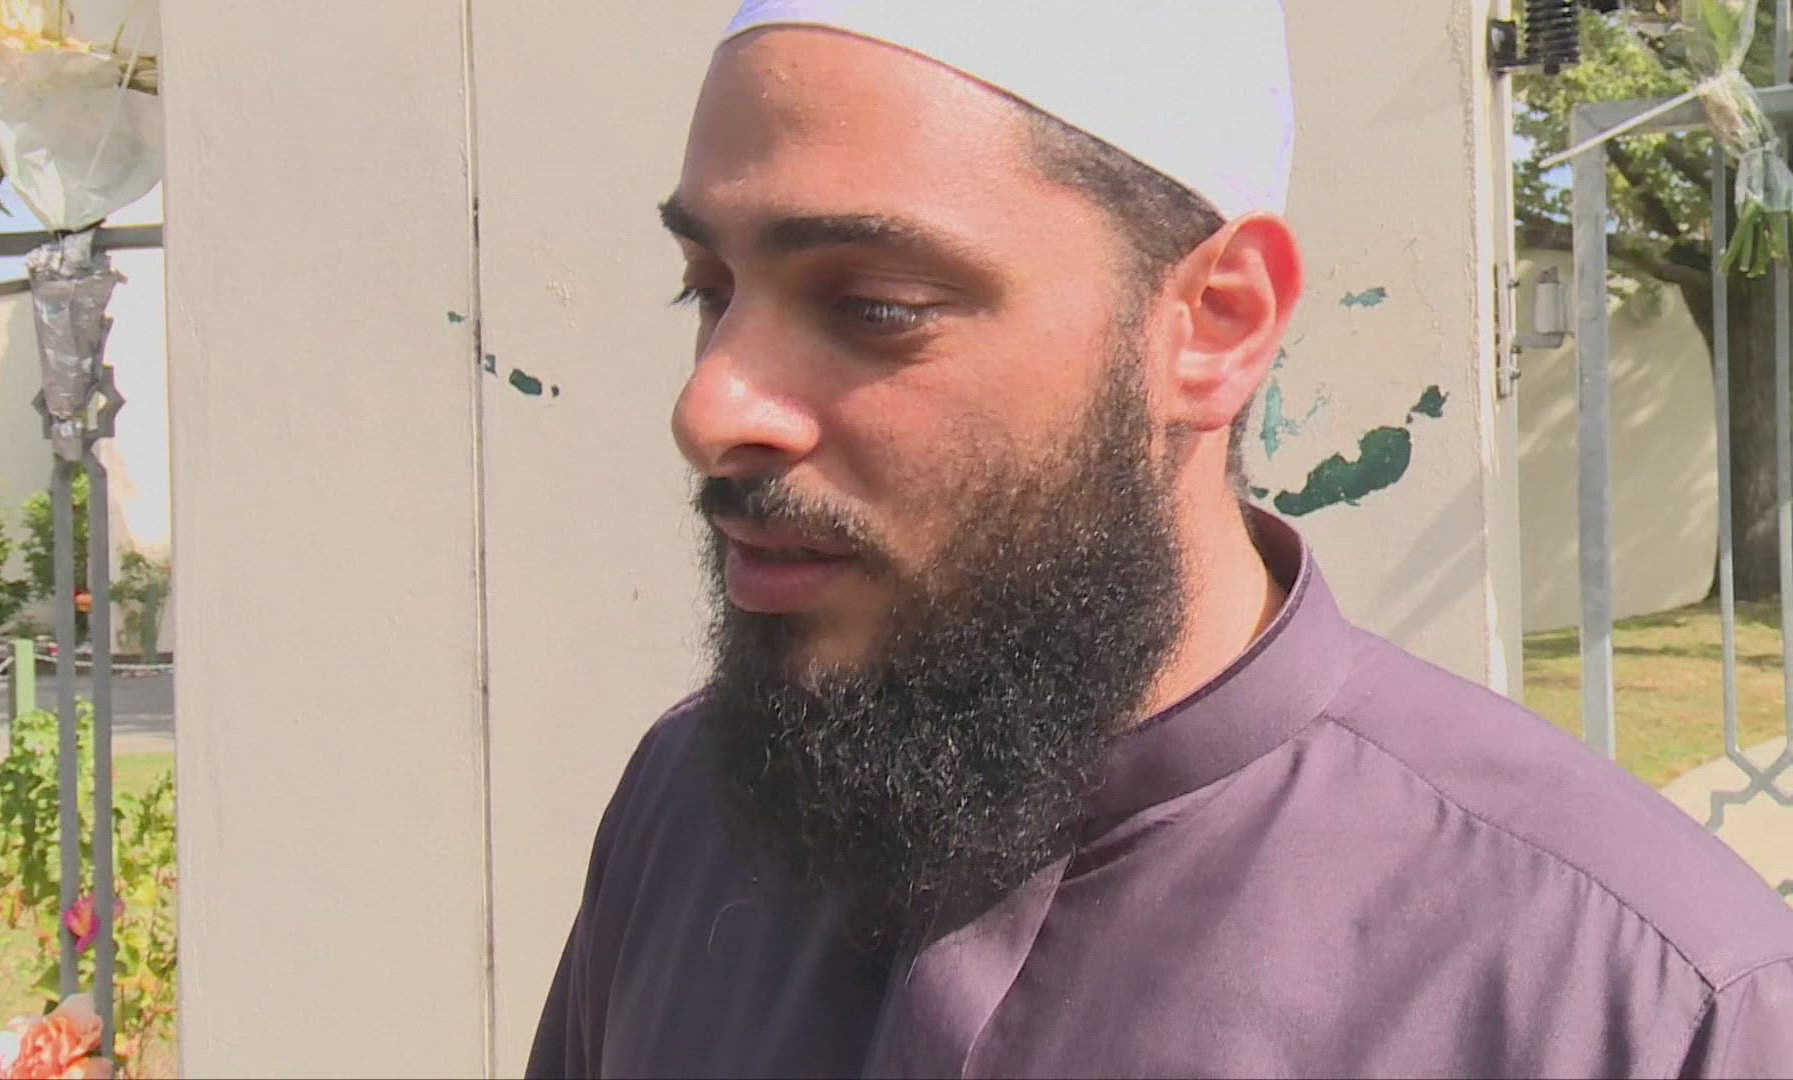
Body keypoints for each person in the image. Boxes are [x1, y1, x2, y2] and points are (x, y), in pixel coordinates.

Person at [528, 3, 1793, 1076]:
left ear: (1216, 324)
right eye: (708, 289)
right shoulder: (686, 804)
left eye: (875, 305)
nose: (710, 409)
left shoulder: (1645, 1004)